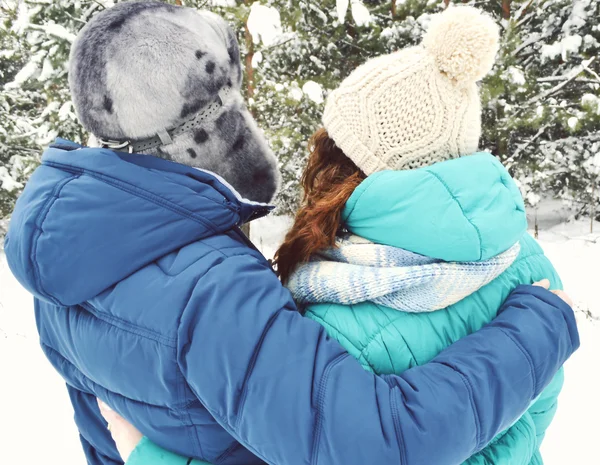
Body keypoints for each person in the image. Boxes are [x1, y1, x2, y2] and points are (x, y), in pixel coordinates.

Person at [5, 3, 578, 465]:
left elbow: (100, 422)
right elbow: (373, 444)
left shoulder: (61, 252)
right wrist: (541, 324)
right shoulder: (216, 287)